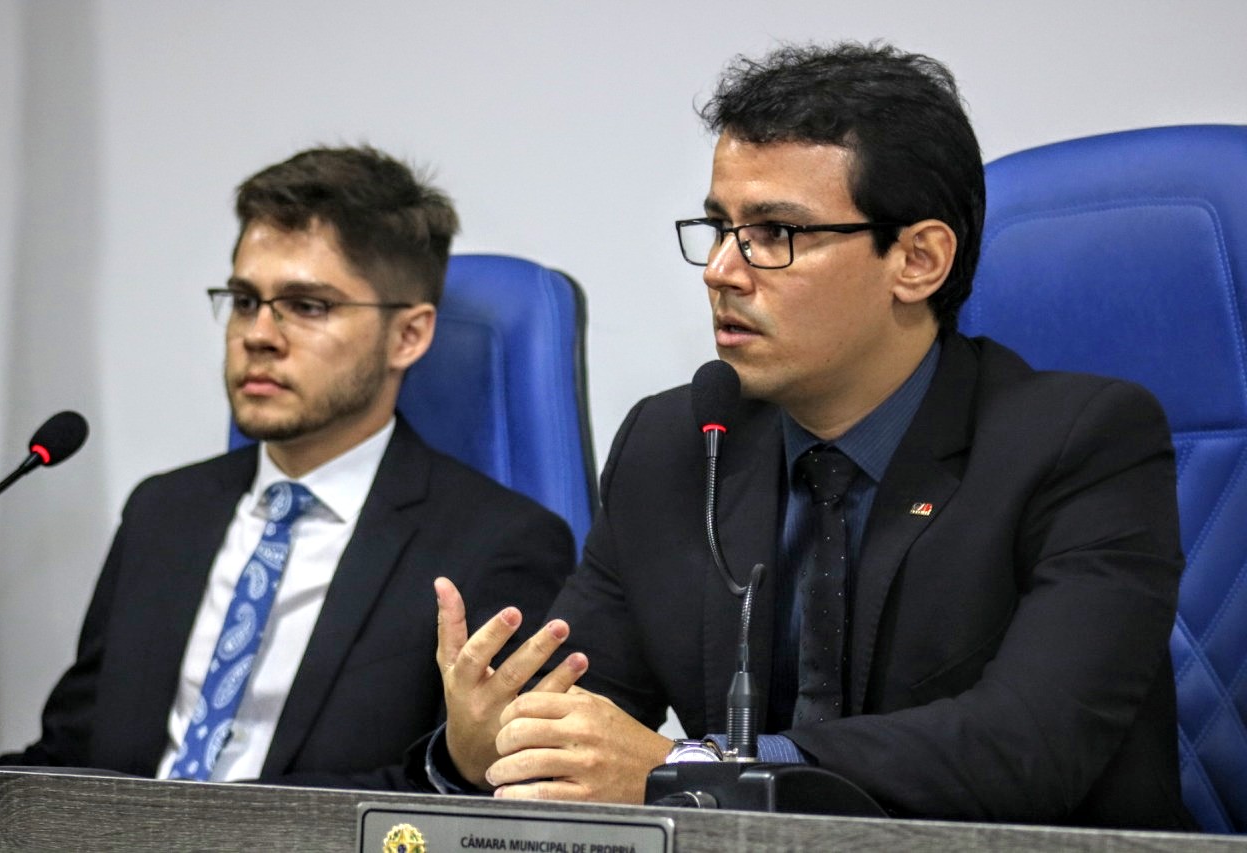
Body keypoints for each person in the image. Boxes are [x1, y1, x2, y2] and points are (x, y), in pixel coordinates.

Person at [425, 43, 1194, 829]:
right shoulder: (676, 445)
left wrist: (695, 770)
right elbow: (580, 715)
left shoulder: (1082, 445)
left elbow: (1026, 746)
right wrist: (489, 743)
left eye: (774, 232)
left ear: (918, 259)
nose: (720, 270)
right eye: (720, 227)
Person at [0, 146, 575, 789]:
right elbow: (67, 761)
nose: (258, 335)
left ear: (408, 336)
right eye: (245, 300)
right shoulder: (162, 512)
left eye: (307, 306)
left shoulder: (497, 545)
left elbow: (456, 792)